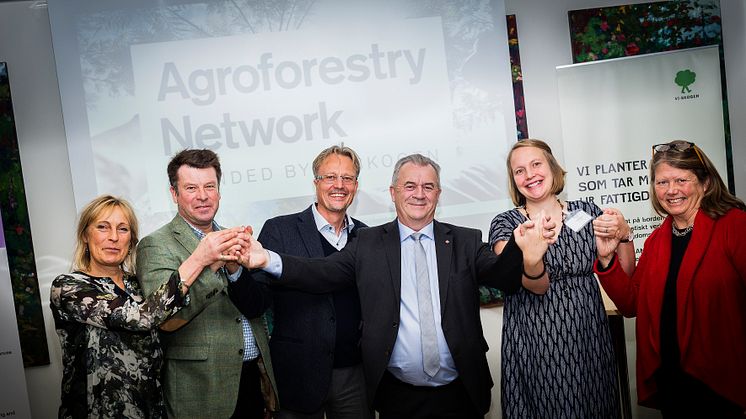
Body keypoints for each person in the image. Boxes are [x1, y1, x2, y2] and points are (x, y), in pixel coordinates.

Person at [247, 153, 553, 418]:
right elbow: (321, 271)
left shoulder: (465, 240)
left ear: (438, 193)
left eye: (428, 186)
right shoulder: (367, 243)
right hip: (397, 396)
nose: (418, 194)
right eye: (409, 185)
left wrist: (521, 250)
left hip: (461, 391)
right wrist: (266, 260)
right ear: (393, 193)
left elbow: (502, 277)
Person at [595, 140, 746, 417]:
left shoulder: (734, 226)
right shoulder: (656, 240)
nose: (671, 190)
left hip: (721, 384)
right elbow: (632, 305)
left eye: (681, 180)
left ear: (706, 183)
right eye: (662, 182)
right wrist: (607, 260)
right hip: (672, 382)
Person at [489, 139, 636, 418]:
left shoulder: (586, 212)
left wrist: (624, 235)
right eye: (519, 171)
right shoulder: (507, 224)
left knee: (597, 404)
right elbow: (535, 285)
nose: (529, 174)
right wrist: (532, 256)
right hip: (537, 336)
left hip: (590, 334)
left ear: (552, 168)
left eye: (536, 164)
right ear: (513, 180)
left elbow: (625, 274)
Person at [136, 149, 278, 418]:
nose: (203, 196)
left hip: (251, 381)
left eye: (209, 186)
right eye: (191, 187)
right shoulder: (155, 245)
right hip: (201, 389)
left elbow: (255, 309)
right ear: (174, 194)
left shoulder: (232, 237)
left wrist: (235, 268)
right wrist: (207, 263)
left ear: (219, 192)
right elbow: (164, 318)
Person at [50, 195, 198, 418]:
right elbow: (142, 318)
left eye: (122, 229)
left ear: (132, 240)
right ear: (85, 235)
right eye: (102, 227)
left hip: (152, 408)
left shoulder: (139, 283)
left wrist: (213, 273)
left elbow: (169, 322)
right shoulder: (69, 287)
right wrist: (200, 259)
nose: (113, 237)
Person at [256, 145, 372, 418]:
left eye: (347, 178)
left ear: (356, 185)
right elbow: (257, 300)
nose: (339, 185)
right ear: (316, 182)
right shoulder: (279, 230)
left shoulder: (367, 237)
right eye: (330, 177)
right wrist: (236, 271)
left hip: (354, 375)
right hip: (298, 375)